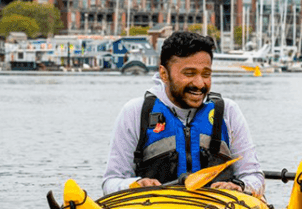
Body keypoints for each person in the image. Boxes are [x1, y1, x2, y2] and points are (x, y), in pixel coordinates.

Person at [102, 30, 265, 197]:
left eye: (206, 74)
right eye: (189, 74)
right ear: (164, 74)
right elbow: (111, 182)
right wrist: (135, 184)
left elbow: (254, 177)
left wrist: (239, 186)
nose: (200, 83)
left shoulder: (228, 111)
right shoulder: (135, 112)